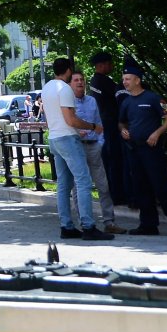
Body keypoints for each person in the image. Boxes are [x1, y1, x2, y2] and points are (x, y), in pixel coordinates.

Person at [42, 57, 111, 240]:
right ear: (69, 70)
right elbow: (71, 120)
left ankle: (66, 226)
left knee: (63, 185)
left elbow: (49, 119)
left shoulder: (47, 88)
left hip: (54, 137)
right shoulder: (64, 89)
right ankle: (88, 226)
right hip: (67, 138)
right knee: (83, 181)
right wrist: (93, 127)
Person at [115, 61, 167, 236]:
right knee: (140, 187)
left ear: (137, 80)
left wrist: (157, 133)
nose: (124, 82)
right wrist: (123, 130)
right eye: (123, 79)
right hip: (134, 150)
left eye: (127, 79)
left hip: (152, 150)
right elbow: (121, 122)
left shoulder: (153, 98)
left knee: (161, 186)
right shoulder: (126, 102)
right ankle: (148, 224)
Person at [70, 71, 122, 233]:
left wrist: (100, 143)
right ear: (70, 84)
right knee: (79, 187)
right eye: (76, 80)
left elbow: (99, 124)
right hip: (77, 148)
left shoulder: (92, 100)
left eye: (82, 79)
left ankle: (109, 222)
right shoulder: (67, 104)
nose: (80, 82)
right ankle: (84, 222)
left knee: (103, 185)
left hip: (94, 147)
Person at [89, 52, 127, 220]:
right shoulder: (105, 82)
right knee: (114, 160)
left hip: (103, 125)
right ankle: (117, 194)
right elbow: (119, 99)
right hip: (110, 125)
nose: (112, 66)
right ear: (102, 65)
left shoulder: (94, 82)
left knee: (108, 160)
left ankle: (113, 192)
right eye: (110, 63)